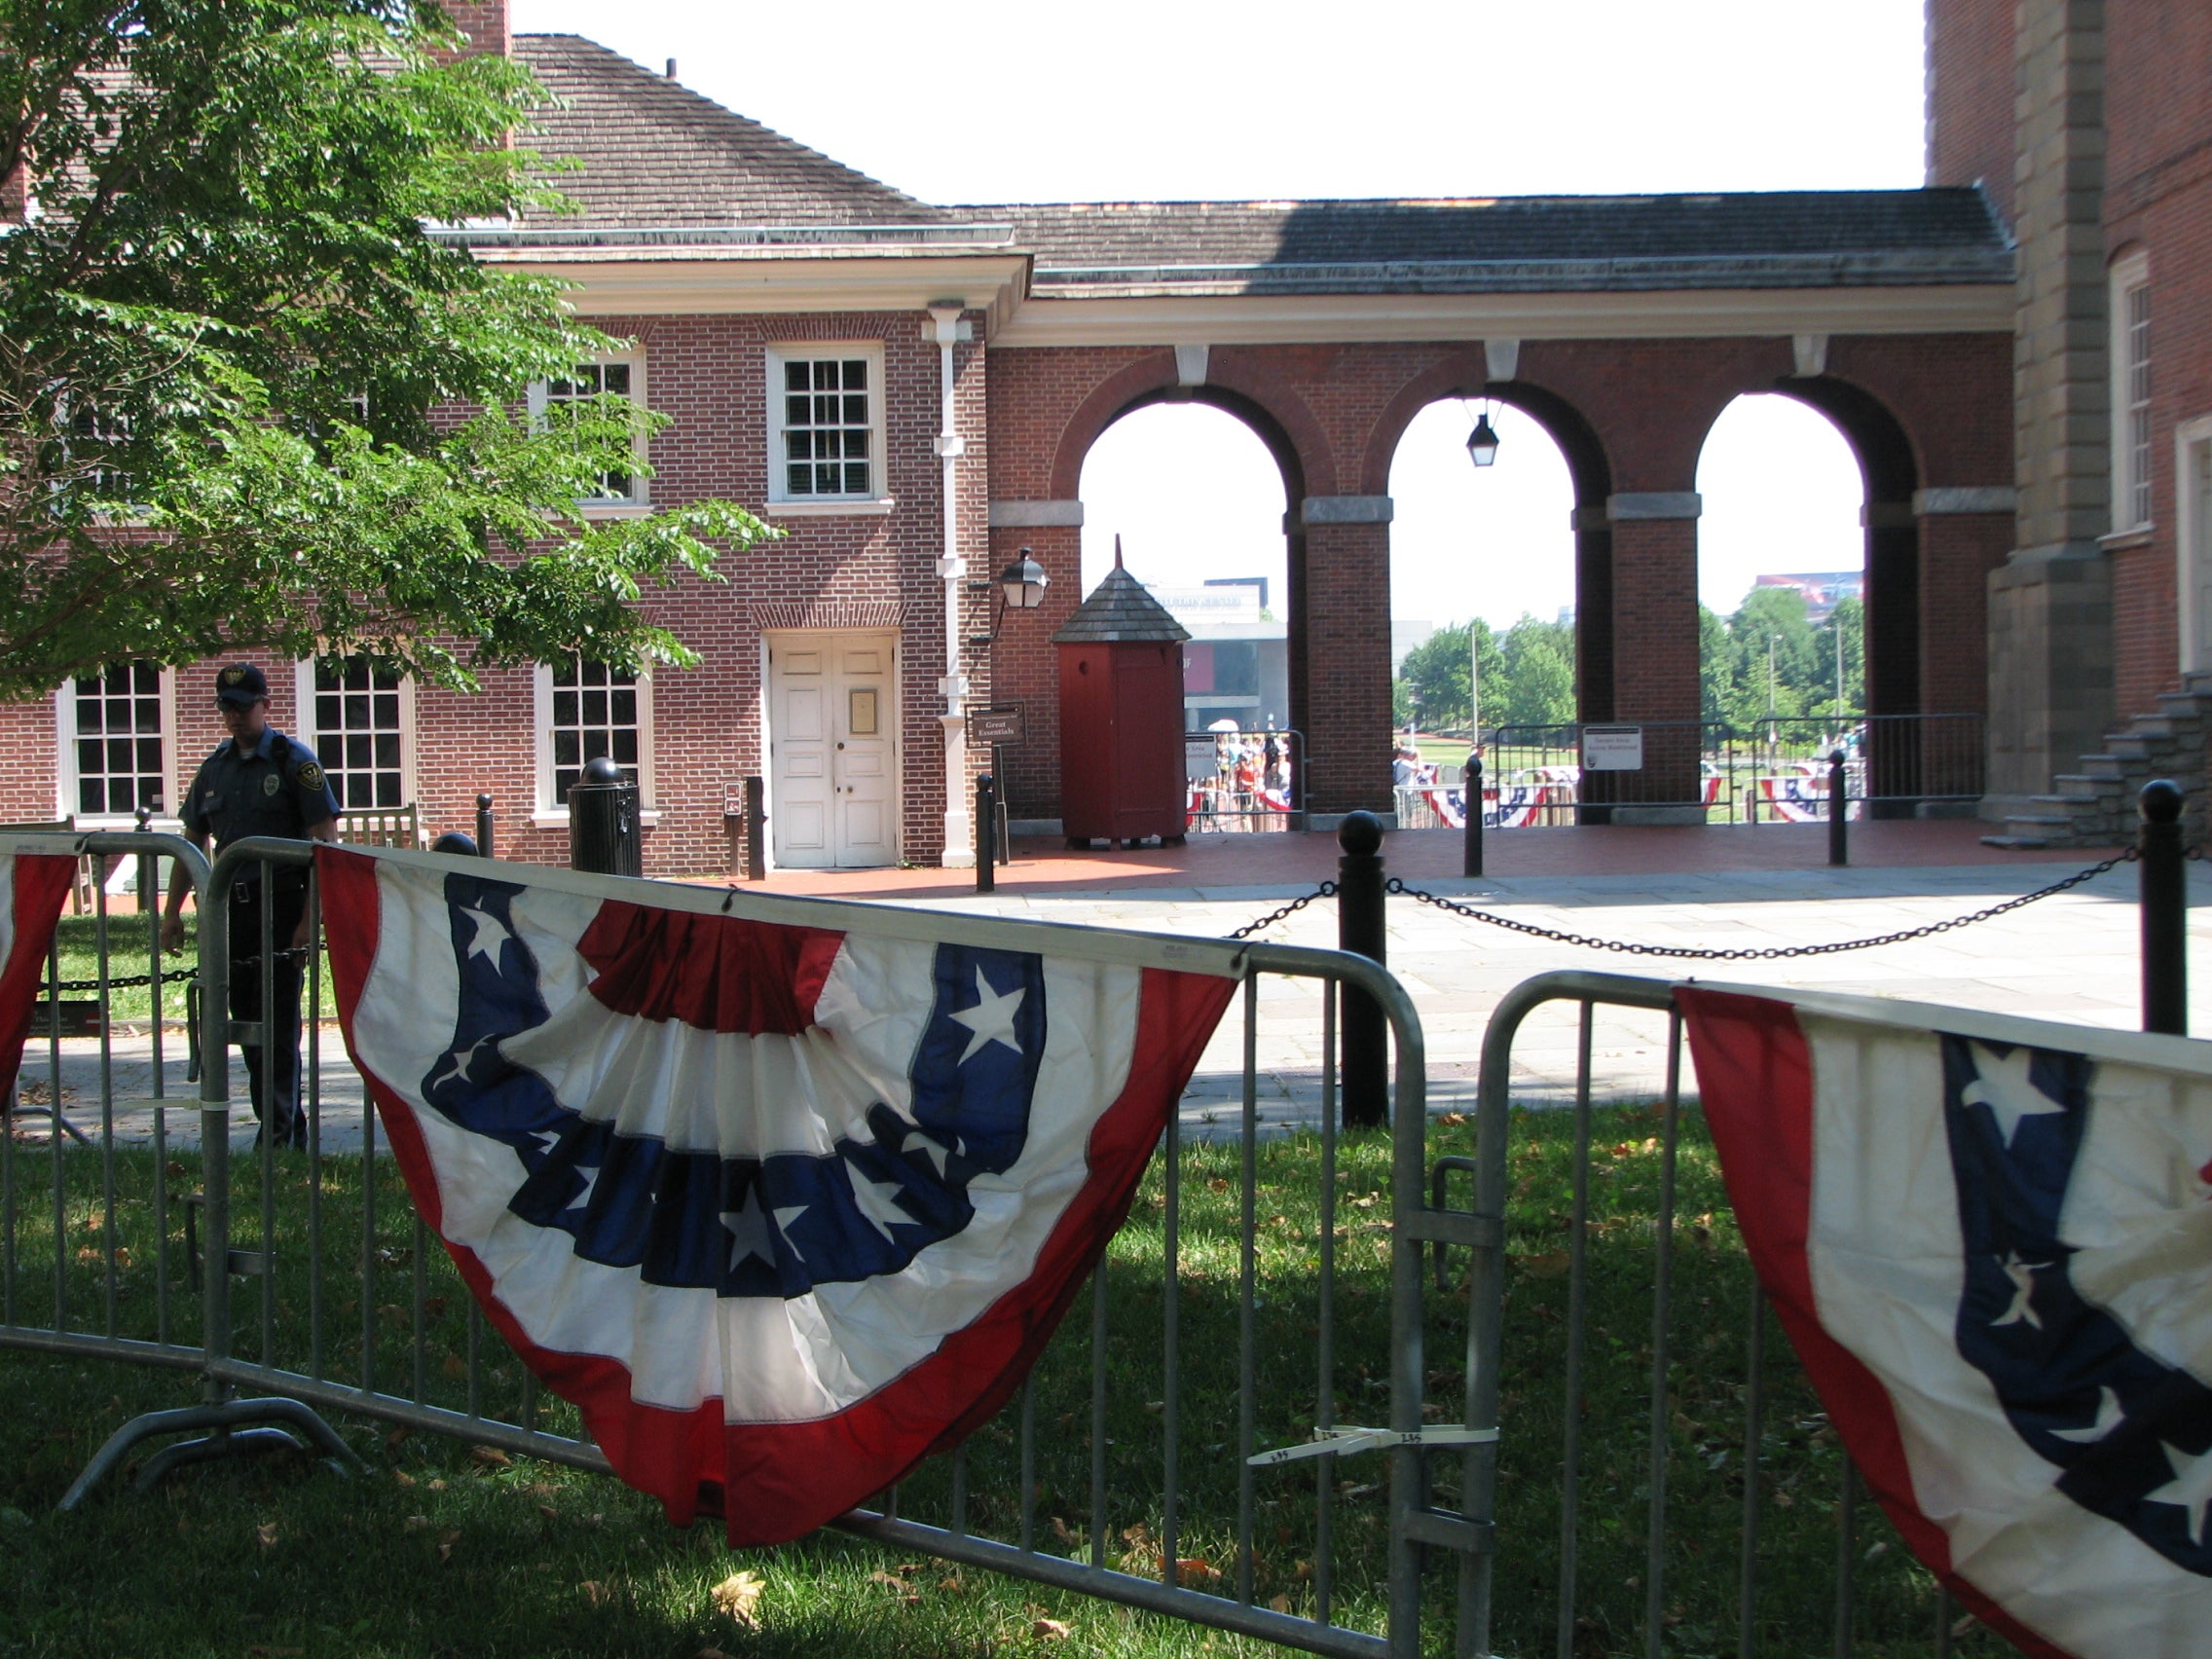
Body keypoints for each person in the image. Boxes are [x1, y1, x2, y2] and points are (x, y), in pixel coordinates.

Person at [160, 664, 339, 1149]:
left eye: (243, 706)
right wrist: (172, 911)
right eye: (227, 707)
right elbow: (192, 841)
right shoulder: (214, 768)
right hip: (230, 912)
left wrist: (309, 921)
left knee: (277, 1023)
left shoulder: (292, 762)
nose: (235, 717)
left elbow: (324, 845)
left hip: (281, 907)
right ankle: (279, 1126)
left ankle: (280, 1134)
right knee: (244, 1020)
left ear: (265, 704)